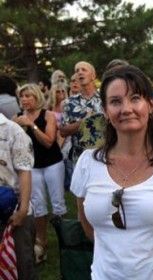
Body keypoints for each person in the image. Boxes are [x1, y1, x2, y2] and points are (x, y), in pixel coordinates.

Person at [71, 65, 153, 279]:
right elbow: (85, 221)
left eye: (135, 98)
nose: (126, 109)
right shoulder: (87, 163)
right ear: (105, 111)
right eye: (115, 101)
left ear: (151, 105)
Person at [13, 84, 67, 264]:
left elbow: (49, 142)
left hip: (52, 163)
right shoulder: (17, 118)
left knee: (58, 203)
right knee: (38, 205)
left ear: (37, 97)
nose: (25, 100)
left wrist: (32, 125)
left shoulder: (48, 115)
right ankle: (42, 243)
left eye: (28, 96)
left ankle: (64, 241)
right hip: (32, 166)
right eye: (22, 97)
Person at [0, 112, 36, 279]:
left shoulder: (13, 132)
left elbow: (24, 172)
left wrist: (21, 212)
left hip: (14, 212)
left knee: (21, 265)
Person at [60, 61, 102, 164]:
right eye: (77, 70)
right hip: (79, 158)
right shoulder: (68, 103)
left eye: (84, 70)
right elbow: (63, 132)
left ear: (93, 76)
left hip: (104, 155)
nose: (80, 72)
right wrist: (84, 122)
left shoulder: (106, 99)